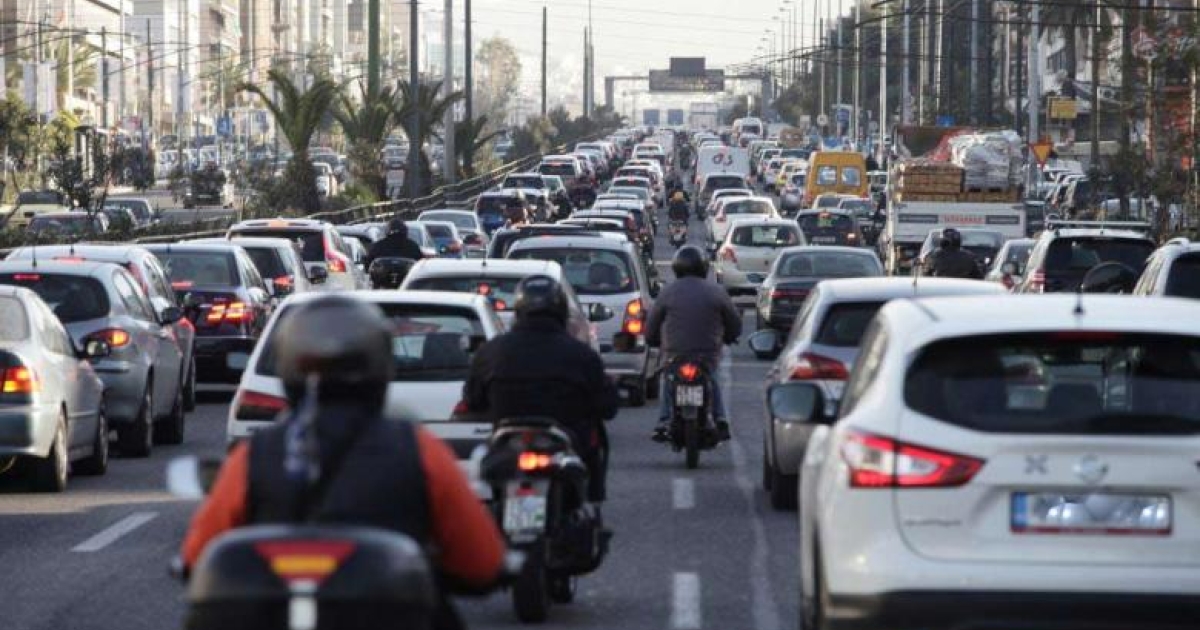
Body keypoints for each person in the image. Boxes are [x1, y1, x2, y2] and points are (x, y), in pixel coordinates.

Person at [180, 295, 505, 630]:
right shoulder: (419, 449)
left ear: (289, 369)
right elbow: (482, 562)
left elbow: (196, 557)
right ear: (379, 367)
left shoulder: (255, 455)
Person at [463, 275, 619, 503]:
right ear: (561, 312)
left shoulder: (492, 352)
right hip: (559, 446)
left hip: (513, 448)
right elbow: (607, 406)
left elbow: (473, 399)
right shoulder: (581, 355)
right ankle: (592, 500)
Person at [645, 245, 742, 441]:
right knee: (713, 379)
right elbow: (734, 322)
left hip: (675, 354)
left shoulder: (668, 292)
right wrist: (731, 336)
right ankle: (720, 418)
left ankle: (664, 420)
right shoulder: (716, 292)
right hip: (707, 354)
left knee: (668, 381)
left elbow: (652, 324)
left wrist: (652, 340)